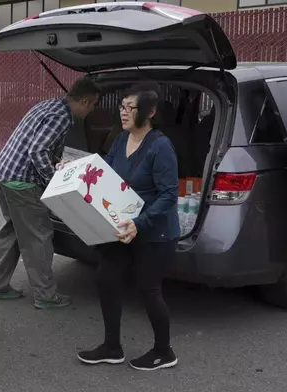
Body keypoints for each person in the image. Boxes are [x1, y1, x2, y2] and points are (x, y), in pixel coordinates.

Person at [76, 83, 180, 371]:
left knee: (149, 289)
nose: (123, 112)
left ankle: (164, 351)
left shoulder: (160, 146)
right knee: (106, 279)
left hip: (154, 230)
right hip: (123, 226)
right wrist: (73, 168)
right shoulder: (122, 139)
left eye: (130, 108)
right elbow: (105, 171)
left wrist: (140, 223)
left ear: (150, 112)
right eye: (121, 107)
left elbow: (169, 194)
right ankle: (112, 346)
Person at [0, 76, 101, 309]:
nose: (94, 109)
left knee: (13, 232)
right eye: (95, 104)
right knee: (39, 236)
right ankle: (46, 295)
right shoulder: (62, 117)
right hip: (22, 183)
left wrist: (57, 161)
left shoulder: (47, 105)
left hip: (3, 174)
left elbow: (38, 146)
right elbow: (38, 150)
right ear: (86, 101)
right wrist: (54, 182)